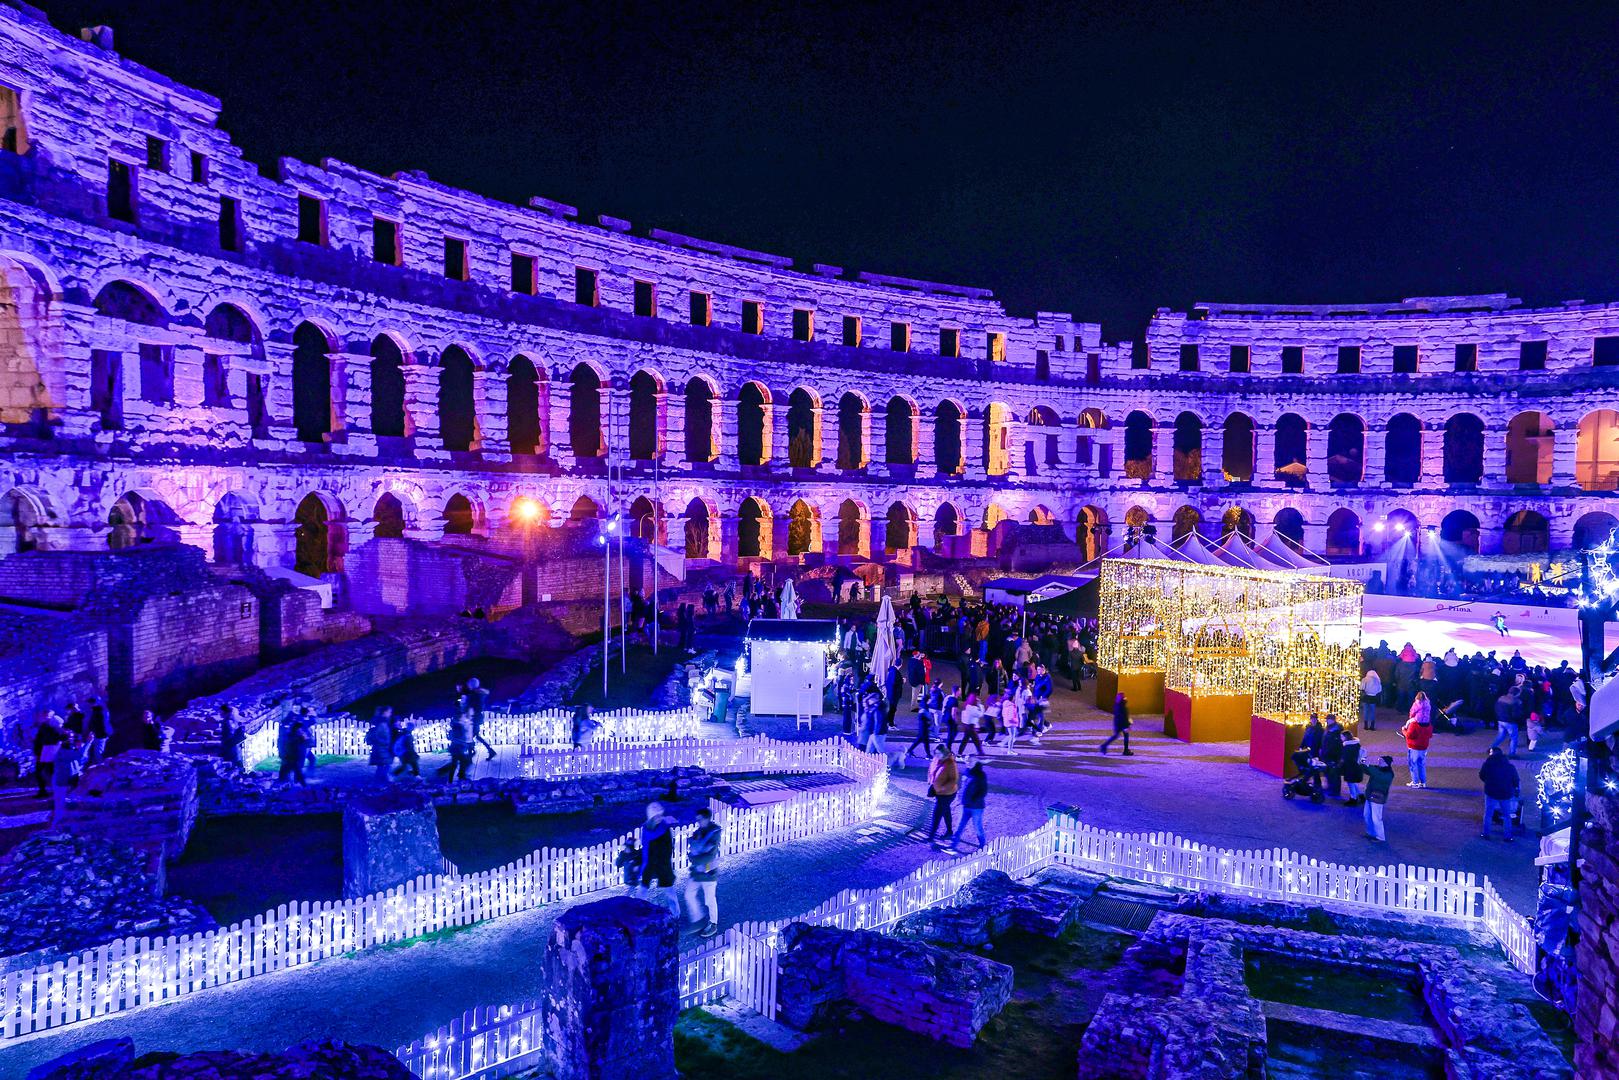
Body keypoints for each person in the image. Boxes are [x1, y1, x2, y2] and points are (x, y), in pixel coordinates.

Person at [684, 807, 722, 937]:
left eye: (700, 819)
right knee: (689, 894)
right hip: (696, 871)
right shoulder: (698, 832)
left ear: (707, 818)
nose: (698, 822)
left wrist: (695, 857)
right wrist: (696, 852)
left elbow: (710, 855)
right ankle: (698, 919)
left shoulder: (715, 833)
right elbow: (693, 848)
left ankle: (713, 923)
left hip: (709, 871)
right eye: (697, 820)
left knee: (710, 899)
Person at [639, 802, 676, 907]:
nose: (660, 818)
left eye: (660, 815)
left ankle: (675, 913)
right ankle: (638, 909)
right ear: (651, 817)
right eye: (656, 816)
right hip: (649, 862)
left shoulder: (665, 828)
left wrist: (664, 861)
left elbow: (669, 847)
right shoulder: (646, 829)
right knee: (643, 888)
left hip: (663, 863)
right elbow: (645, 846)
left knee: (669, 889)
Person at [1478, 747, 1520, 841]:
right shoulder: (1509, 766)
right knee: (1506, 815)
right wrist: (1515, 789)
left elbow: (1481, 775)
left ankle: (1486, 833)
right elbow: (1515, 780)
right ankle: (1507, 836)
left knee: (1488, 813)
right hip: (1505, 793)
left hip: (1491, 792)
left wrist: (1488, 782)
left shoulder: (1487, 764)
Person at [50, 732, 88, 826]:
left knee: (65, 802)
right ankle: (57, 823)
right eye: (69, 738)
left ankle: (61, 822)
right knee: (60, 803)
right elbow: (79, 756)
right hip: (62, 780)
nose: (71, 740)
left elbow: (79, 760)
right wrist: (88, 743)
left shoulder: (70, 749)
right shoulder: (63, 751)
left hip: (69, 779)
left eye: (72, 738)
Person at [925, 744, 959, 846]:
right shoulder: (935, 759)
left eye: (939, 753)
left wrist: (941, 789)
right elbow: (930, 770)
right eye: (935, 753)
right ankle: (949, 832)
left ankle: (931, 836)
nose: (937, 755)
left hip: (947, 794)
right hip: (938, 791)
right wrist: (930, 781)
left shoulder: (951, 763)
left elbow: (953, 780)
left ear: (944, 753)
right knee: (946, 811)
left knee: (937, 814)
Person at [951, 760, 988, 850]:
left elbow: (983, 791)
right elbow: (963, 787)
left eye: (970, 761)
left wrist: (973, 799)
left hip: (976, 807)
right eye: (967, 761)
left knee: (977, 827)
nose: (968, 762)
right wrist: (959, 799)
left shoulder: (981, 775)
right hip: (965, 805)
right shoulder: (967, 772)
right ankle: (953, 845)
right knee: (959, 826)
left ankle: (983, 845)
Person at [1402, 695, 1433, 789]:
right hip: (1424, 747)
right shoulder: (1428, 724)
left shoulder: (1413, 724)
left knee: (1413, 765)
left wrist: (1403, 730)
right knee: (1422, 765)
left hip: (1413, 747)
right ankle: (1423, 782)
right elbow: (1430, 735)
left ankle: (1415, 782)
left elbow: (1409, 735)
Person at [31, 711, 63, 798]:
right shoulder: (45, 727)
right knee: (45, 771)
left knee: (48, 771)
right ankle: (45, 790)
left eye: (47, 716)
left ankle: (50, 790)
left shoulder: (52, 727)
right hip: (45, 751)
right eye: (44, 716)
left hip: (48, 751)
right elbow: (39, 740)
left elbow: (45, 740)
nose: (45, 717)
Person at [1364, 754, 1395, 841]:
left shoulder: (1389, 774)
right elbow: (1367, 770)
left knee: (1376, 818)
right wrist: (1362, 763)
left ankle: (1380, 837)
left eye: (1381, 761)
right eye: (1379, 760)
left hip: (1378, 797)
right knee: (1367, 815)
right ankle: (1370, 832)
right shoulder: (1378, 769)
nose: (1379, 762)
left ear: (1387, 763)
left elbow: (1377, 774)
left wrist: (1368, 765)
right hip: (1369, 795)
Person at [465, 678, 496, 760]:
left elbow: (472, 707)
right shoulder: (479, 694)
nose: (468, 686)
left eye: (469, 684)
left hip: (474, 718)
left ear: (472, 685)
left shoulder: (474, 695)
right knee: (475, 736)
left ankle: (470, 754)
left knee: (470, 736)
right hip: (477, 717)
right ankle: (490, 751)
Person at [1490, 687, 1520, 757]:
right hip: (1510, 722)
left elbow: (1496, 708)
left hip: (1500, 720)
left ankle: (1492, 748)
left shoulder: (1501, 698)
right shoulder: (1515, 701)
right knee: (1513, 738)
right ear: (1517, 693)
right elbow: (1515, 714)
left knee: (1500, 736)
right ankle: (1512, 753)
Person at [1321, 716, 1346, 798]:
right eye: (1327, 720)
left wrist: (1333, 754)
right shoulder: (1328, 729)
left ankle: (1335, 790)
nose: (1327, 721)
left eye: (1329, 720)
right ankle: (1330, 787)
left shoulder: (1337, 731)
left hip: (1334, 755)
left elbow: (1337, 745)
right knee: (1328, 772)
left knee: (1334, 773)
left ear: (1333, 720)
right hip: (1327, 754)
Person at [365, 712, 394, 781]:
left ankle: (380, 777)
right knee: (385, 764)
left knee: (382, 764)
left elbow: (368, 740)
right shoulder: (382, 728)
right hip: (382, 749)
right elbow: (384, 738)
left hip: (379, 749)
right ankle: (383, 778)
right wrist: (384, 742)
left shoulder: (374, 729)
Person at [1339, 731, 1365, 804]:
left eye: (1342, 737)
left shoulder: (1348, 747)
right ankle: (1361, 795)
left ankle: (1353, 799)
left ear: (1346, 737)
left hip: (1351, 768)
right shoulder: (1356, 744)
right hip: (1356, 767)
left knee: (1350, 783)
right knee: (1353, 782)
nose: (1341, 738)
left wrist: (1339, 765)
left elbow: (1345, 758)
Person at [219, 705, 247, 771]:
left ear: (226, 713)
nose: (220, 714)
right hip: (232, 743)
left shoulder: (227, 722)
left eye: (221, 712)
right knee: (235, 758)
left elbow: (229, 734)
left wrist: (225, 743)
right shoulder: (231, 721)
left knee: (232, 759)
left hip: (230, 743)